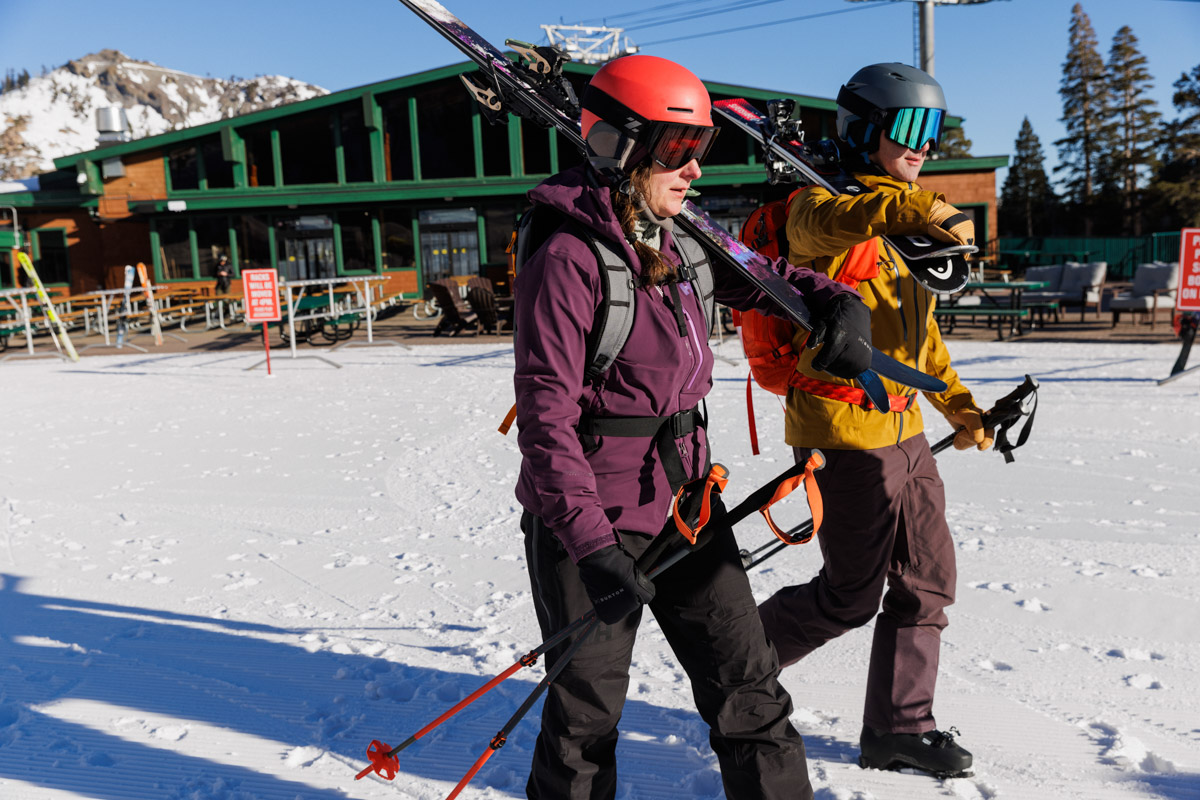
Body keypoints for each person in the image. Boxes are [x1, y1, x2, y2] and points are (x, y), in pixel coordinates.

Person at [512, 55, 875, 800]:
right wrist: (592, 548)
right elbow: (547, 425)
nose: (695, 171)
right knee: (584, 725)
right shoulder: (568, 258)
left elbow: (769, 278)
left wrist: (838, 301)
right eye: (679, 151)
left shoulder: (681, 239)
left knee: (752, 697)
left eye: (700, 150)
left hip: (688, 513)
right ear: (623, 148)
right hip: (594, 528)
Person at [756, 62, 991, 778]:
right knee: (851, 593)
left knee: (928, 579)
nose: (923, 145)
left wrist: (960, 405)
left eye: (933, 128)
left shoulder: (905, 222)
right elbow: (818, 228)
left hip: (905, 427)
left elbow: (918, 341)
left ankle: (898, 727)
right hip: (841, 431)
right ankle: (735, 664)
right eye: (908, 126)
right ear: (863, 130)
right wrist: (902, 208)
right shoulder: (818, 207)